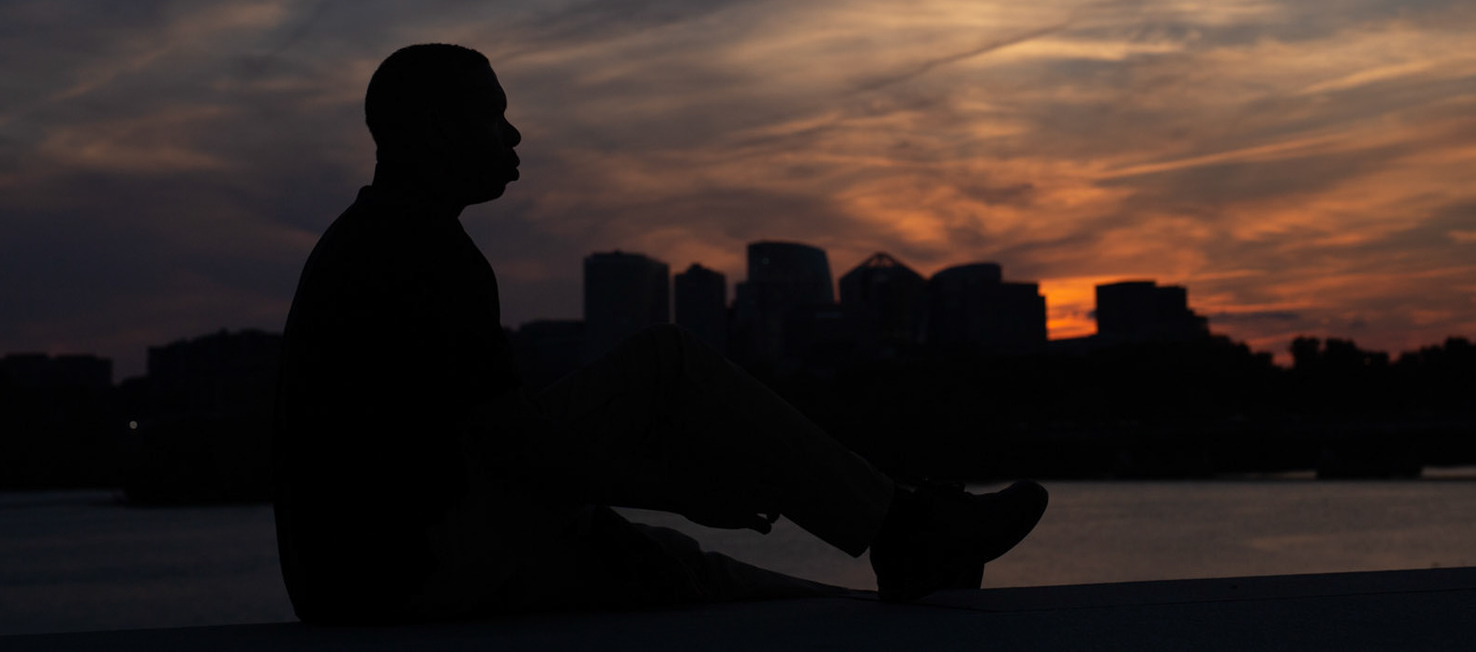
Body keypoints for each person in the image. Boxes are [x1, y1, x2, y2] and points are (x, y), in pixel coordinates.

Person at [273, 43, 1047, 624]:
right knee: (667, 370)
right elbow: (514, 448)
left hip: (369, 572)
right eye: (492, 114)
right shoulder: (419, 248)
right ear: (438, 128)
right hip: (407, 575)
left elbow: (479, 444)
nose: (514, 134)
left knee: (685, 570)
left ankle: (907, 538)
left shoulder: (377, 237)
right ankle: (904, 531)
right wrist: (685, 492)